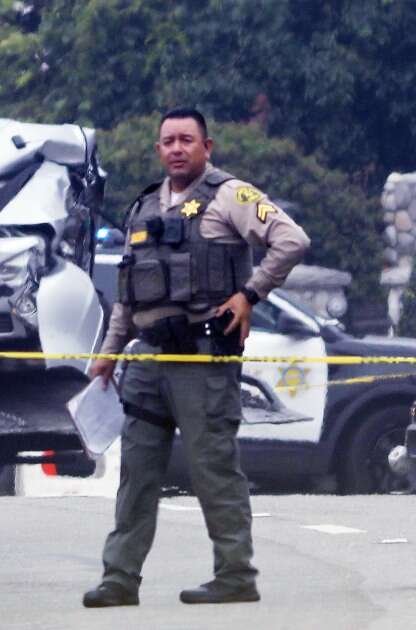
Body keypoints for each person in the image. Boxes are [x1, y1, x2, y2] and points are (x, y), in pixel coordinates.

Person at [82, 108, 309, 607]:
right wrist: (108, 354)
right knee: (136, 473)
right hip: (147, 360)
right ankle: (119, 578)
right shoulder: (144, 206)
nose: (177, 149)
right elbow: (128, 294)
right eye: (168, 141)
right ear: (158, 149)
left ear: (207, 147)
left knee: (213, 469)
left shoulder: (230, 196)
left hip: (203, 358)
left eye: (187, 140)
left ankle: (235, 574)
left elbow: (292, 241)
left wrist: (249, 295)